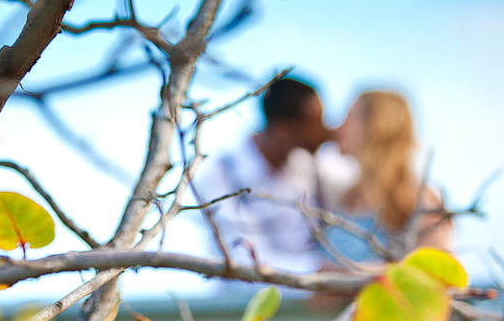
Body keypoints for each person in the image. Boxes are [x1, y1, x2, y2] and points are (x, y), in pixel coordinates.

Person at [194, 76, 356, 274]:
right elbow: (239, 259)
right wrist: (317, 271)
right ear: (284, 130)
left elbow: (365, 188)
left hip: (312, 300)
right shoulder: (220, 174)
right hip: (244, 301)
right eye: (315, 122)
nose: (325, 130)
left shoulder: (312, 168)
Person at [326, 89, 453, 262]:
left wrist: (349, 277)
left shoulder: (417, 199)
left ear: (376, 126)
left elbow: (439, 274)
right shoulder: (342, 196)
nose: (338, 128)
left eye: (350, 117)